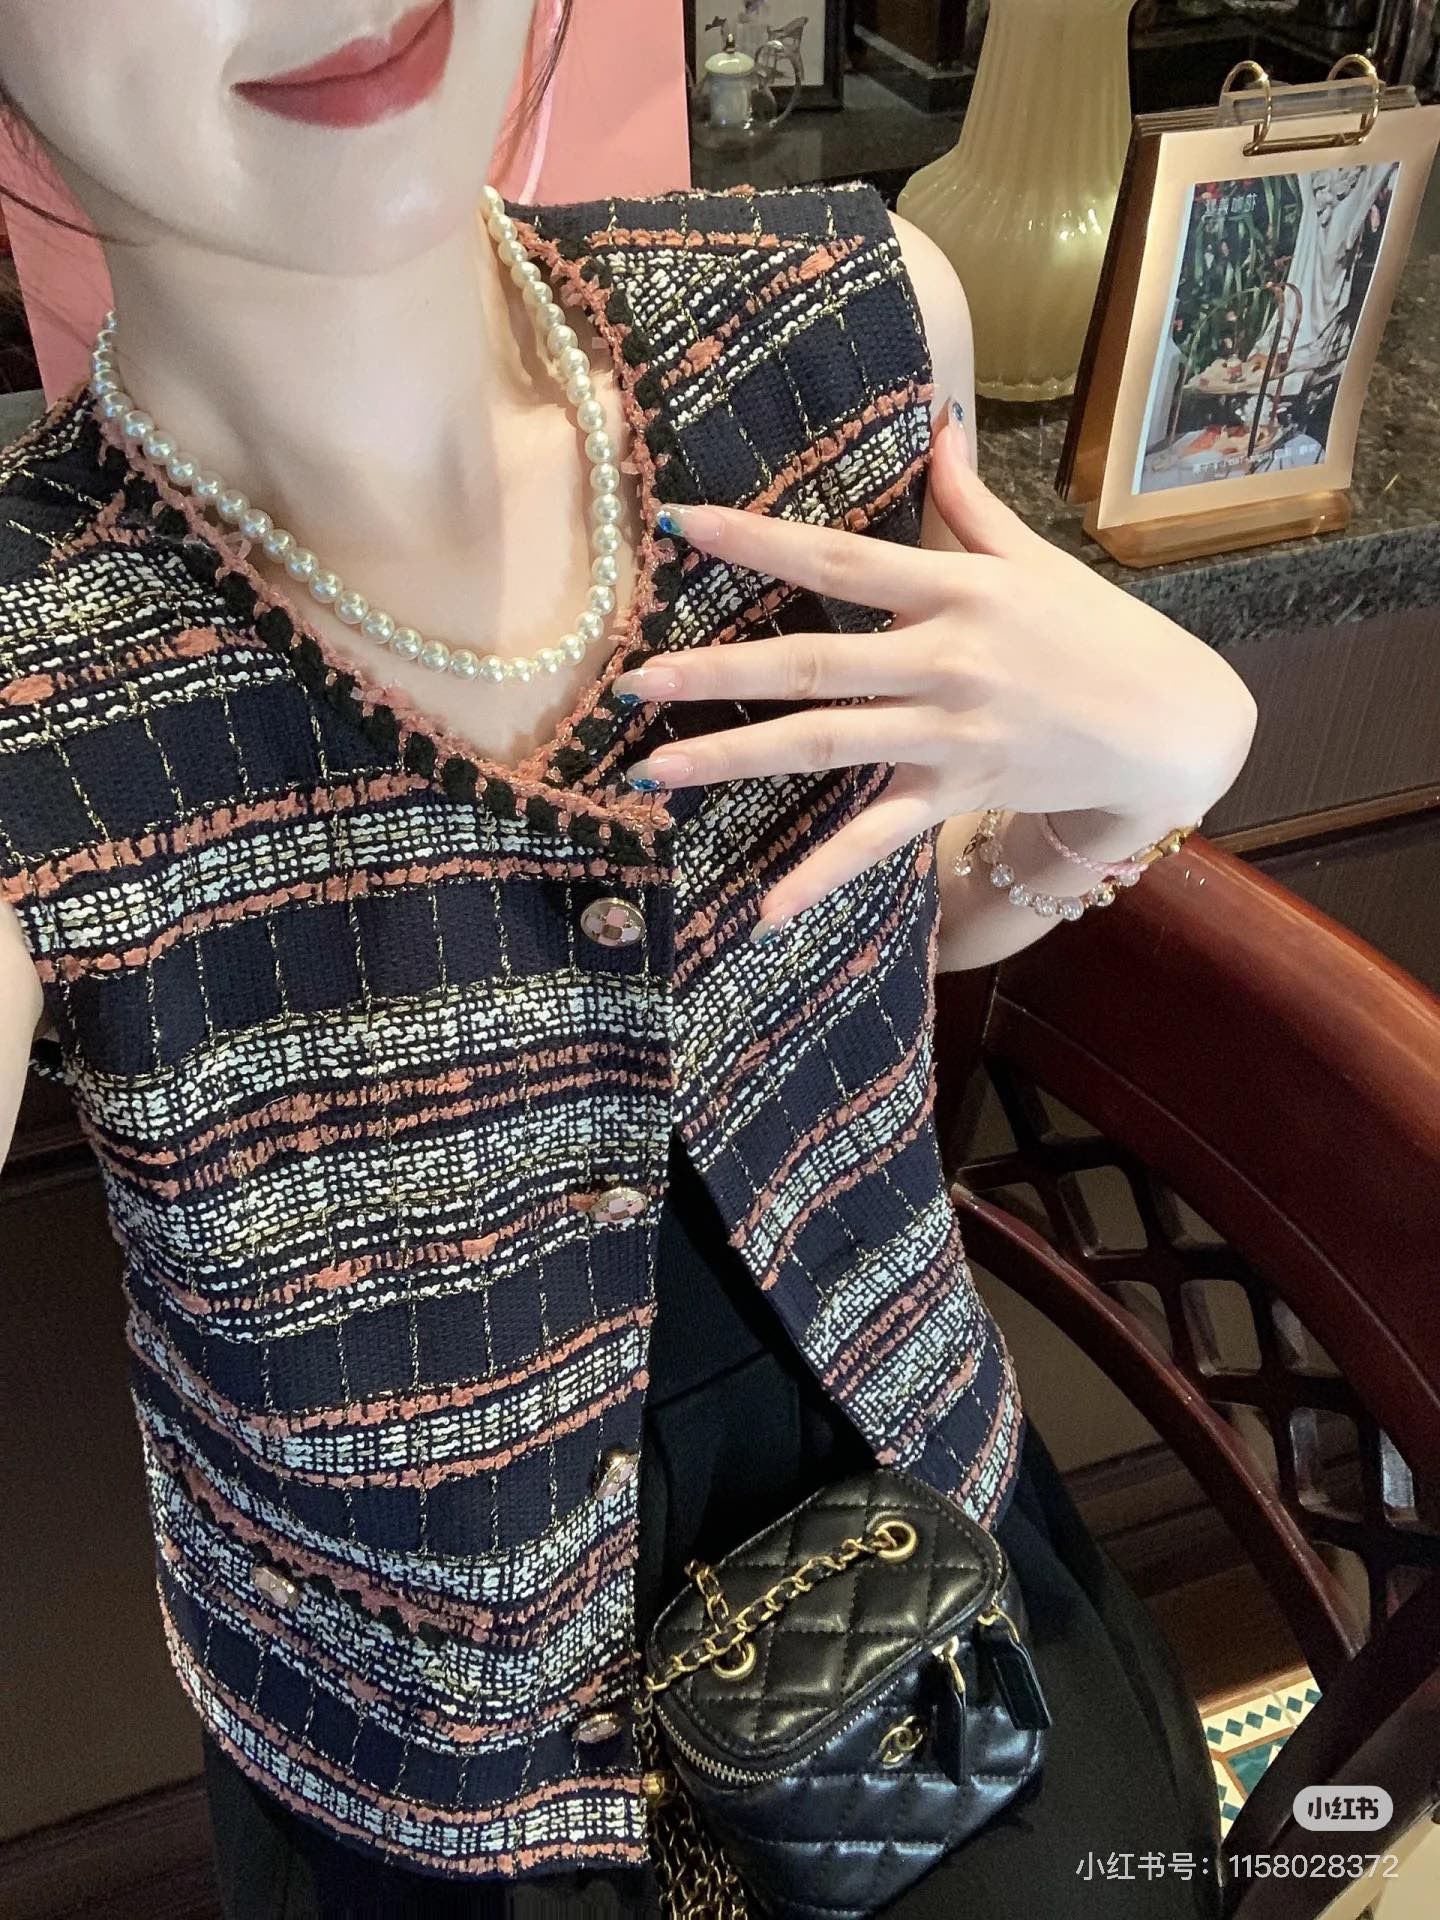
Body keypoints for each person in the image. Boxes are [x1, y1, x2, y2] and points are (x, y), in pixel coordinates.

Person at [0, 4, 1258, 1916]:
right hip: (427, 1790)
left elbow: (894, 912)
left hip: (936, 1604)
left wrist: (1159, 766)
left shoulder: (847, 329)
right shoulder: (37, 671)